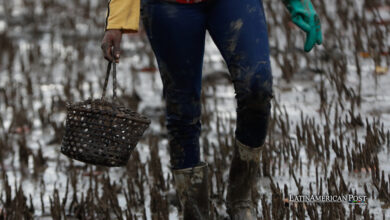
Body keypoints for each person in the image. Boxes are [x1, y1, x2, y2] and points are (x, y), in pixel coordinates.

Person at [101, 0, 322, 219]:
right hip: (168, 6)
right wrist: (116, 22)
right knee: (182, 109)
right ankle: (194, 212)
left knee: (257, 85)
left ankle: (240, 198)